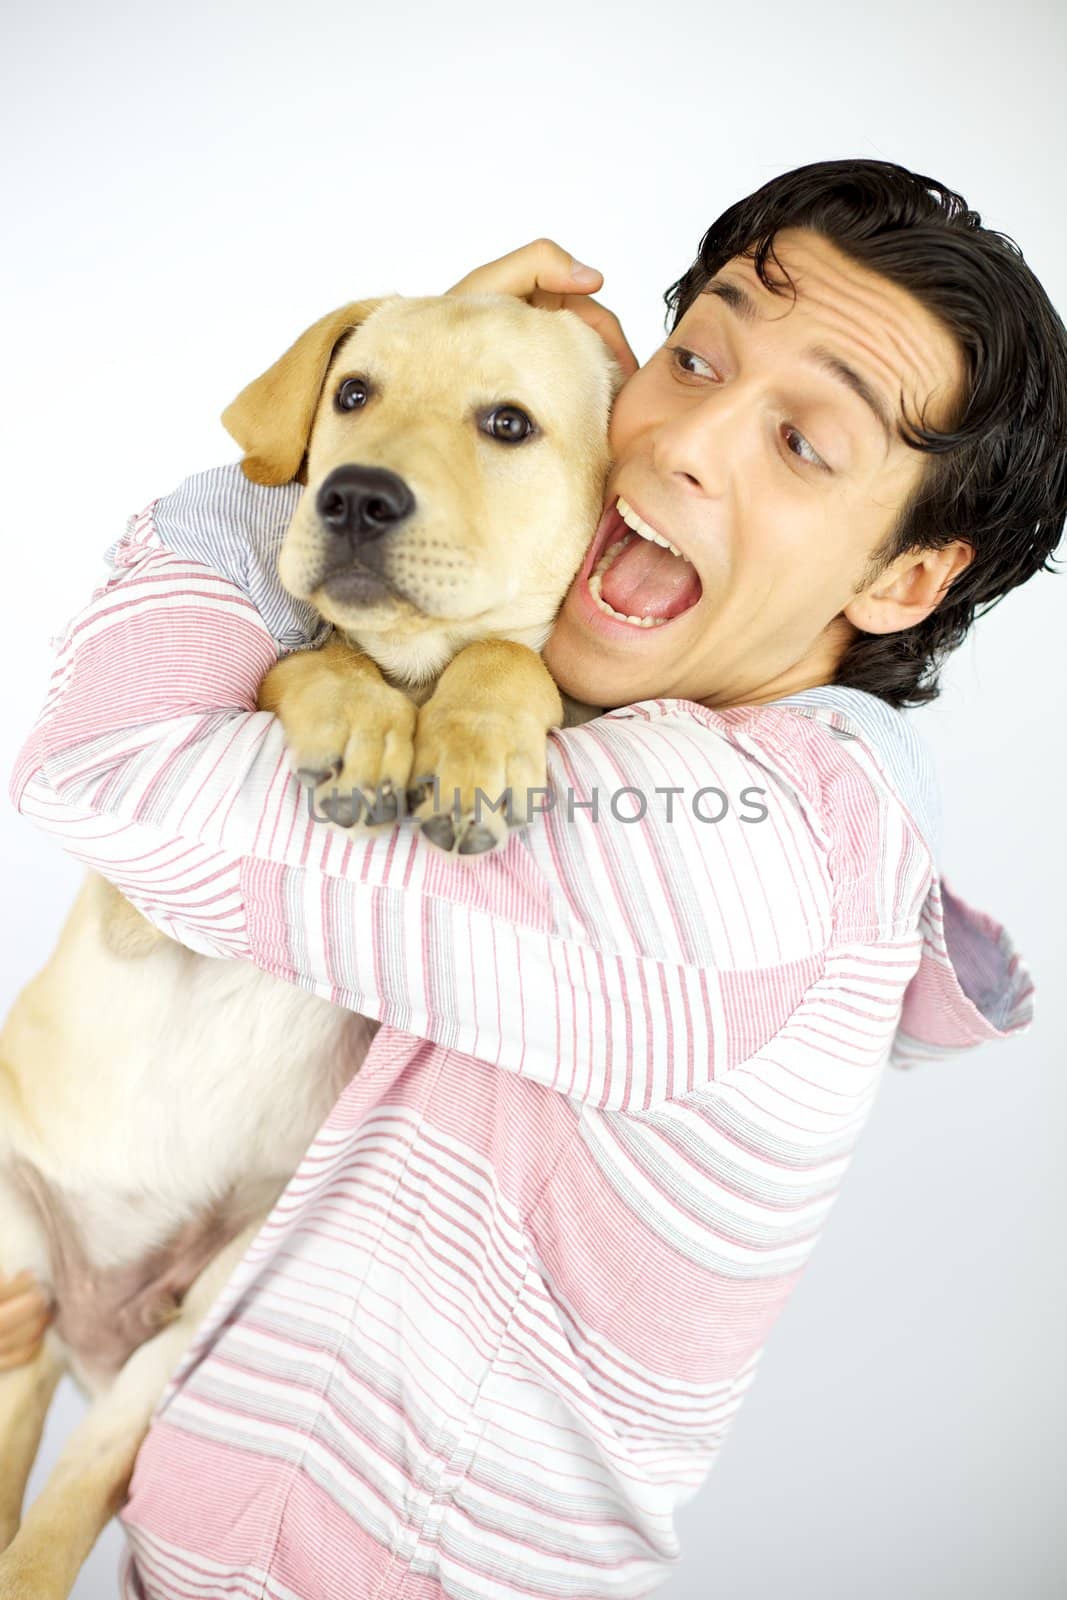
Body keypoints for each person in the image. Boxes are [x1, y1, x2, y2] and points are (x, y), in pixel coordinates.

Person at [4, 158, 1065, 1598]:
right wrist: (454, 394)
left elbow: (108, 762)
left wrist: (341, 429)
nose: (684, 442)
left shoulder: (747, 861)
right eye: (693, 357)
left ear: (902, 584)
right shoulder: (632, 737)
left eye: (803, 442)